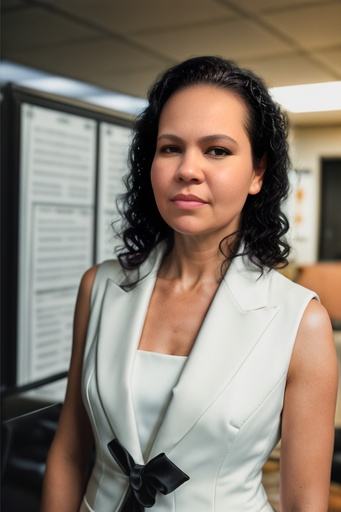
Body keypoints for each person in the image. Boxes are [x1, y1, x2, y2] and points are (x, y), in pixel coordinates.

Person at [41, 56, 338, 512]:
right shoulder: (99, 286)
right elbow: (69, 450)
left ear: (258, 172)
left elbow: (304, 502)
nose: (188, 169)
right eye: (170, 148)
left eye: (217, 150)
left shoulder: (301, 322)